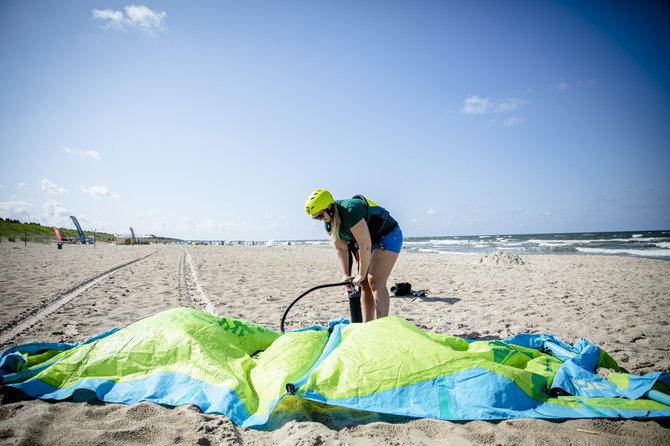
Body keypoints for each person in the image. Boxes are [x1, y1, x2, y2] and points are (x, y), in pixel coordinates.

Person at [305, 189, 403, 322]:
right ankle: (367, 325)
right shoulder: (329, 223)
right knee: (364, 285)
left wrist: (361, 275)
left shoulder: (350, 211)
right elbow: (341, 248)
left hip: (388, 235)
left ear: (329, 206)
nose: (320, 219)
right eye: (316, 217)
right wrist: (346, 274)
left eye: (320, 215)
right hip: (370, 240)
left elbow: (365, 246)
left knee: (374, 280)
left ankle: (382, 324)